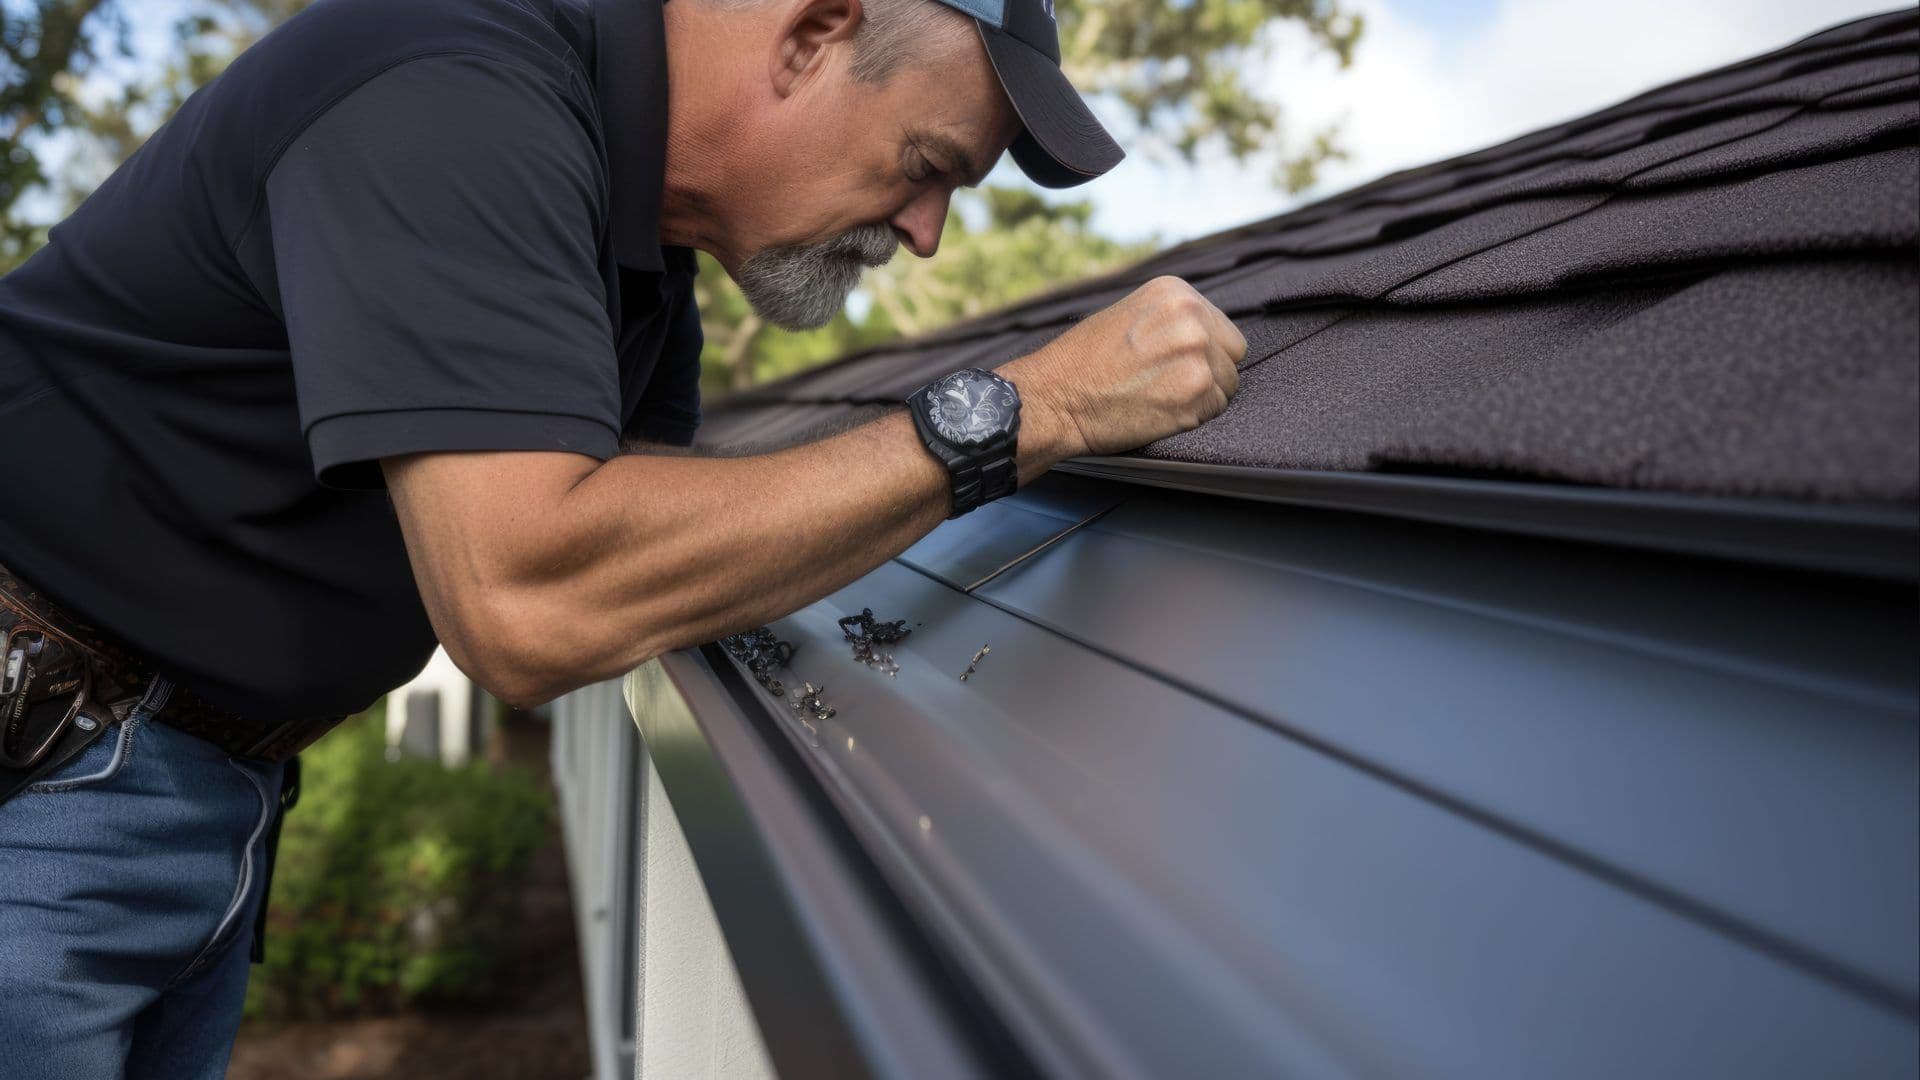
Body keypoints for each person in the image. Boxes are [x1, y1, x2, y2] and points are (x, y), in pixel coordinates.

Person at [0, 0, 1247, 1074]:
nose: (925, 231)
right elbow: (532, 599)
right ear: (813, 32)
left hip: (194, 790)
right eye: (926, 162)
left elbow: (666, 534)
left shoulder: (643, 242)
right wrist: (1031, 411)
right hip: (43, 776)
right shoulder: (460, 94)